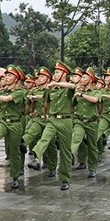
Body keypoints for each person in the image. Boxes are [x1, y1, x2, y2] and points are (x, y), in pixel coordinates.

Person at [26, 62, 76, 190]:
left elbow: (73, 85)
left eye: (58, 72)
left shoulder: (67, 88)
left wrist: (57, 84)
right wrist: (47, 114)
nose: (55, 75)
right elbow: (47, 103)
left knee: (65, 151)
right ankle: (36, 159)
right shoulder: (50, 89)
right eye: (55, 72)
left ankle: (65, 179)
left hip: (65, 121)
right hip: (53, 119)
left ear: (64, 74)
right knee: (45, 138)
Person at [70, 68, 102, 178]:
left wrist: (82, 95)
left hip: (92, 122)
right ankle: (71, 154)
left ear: (90, 80)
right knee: (76, 137)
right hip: (80, 121)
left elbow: (95, 100)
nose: (81, 79)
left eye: (84, 77)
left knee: (92, 146)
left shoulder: (96, 91)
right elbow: (71, 106)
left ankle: (92, 168)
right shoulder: (77, 91)